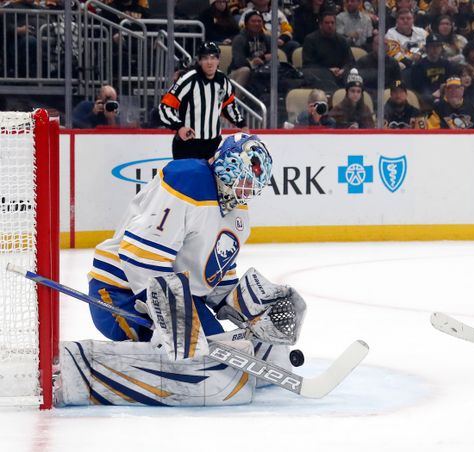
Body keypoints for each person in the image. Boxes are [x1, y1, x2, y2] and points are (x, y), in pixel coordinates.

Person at [71, 134, 306, 406]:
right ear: (227, 166)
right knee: (204, 367)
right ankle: (86, 368)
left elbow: (215, 282)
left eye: (253, 186)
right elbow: (141, 258)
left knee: (230, 359)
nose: (246, 191)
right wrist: (168, 317)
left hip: (180, 298)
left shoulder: (238, 215)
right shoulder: (188, 180)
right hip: (120, 292)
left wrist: (255, 310)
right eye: (243, 180)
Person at [158, 42, 247, 160]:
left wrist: (242, 124)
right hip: (188, 144)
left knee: (213, 178)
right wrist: (179, 127)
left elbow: (228, 106)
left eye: (213, 58)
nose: (209, 62)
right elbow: (165, 107)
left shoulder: (223, 81)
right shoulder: (188, 80)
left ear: (218, 60)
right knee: (189, 178)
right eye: (205, 58)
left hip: (214, 145)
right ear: (199, 61)